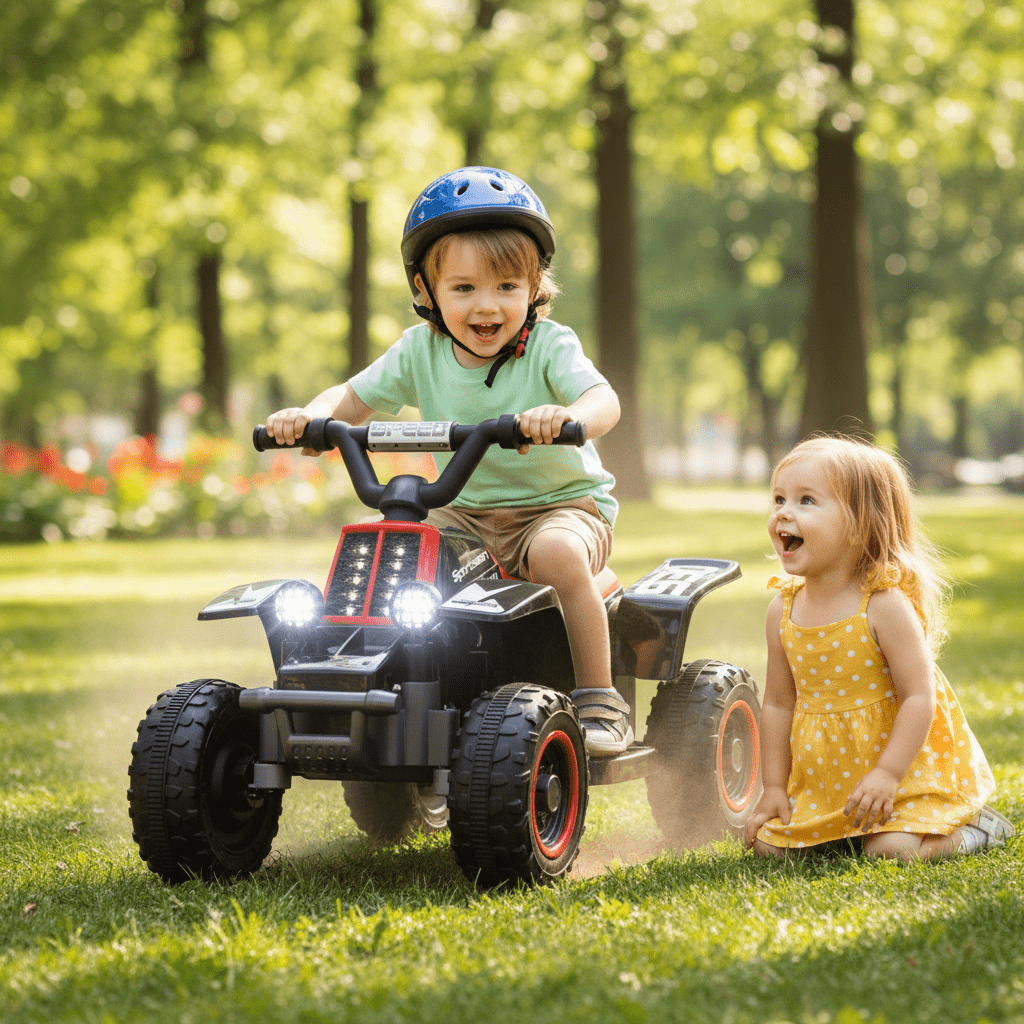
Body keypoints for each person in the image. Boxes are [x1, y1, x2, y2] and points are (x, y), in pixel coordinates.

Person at [264, 166, 631, 756]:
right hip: (464, 515)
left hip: (560, 510)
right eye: (463, 289)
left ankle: (599, 700)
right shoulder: (419, 351)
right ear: (426, 290)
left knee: (559, 554)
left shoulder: (549, 346)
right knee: (395, 560)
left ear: (535, 286)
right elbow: (349, 399)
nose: (487, 305)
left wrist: (569, 419)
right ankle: (402, 695)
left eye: (507, 286)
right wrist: (309, 417)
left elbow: (603, 399)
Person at [744, 435, 1014, 860]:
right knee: (768, 850)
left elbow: (919, 698)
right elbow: (778, 703)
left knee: (890, 852)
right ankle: (838, 825)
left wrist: (888, 774)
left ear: (859, 524)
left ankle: (976, 831)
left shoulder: (883, 605)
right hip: (826, 781)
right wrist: (775, 787)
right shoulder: (782, 609)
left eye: (806, 501)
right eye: (779, 499)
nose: (783, 513)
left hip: (900, 774)